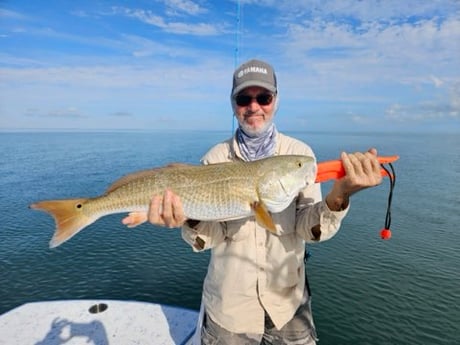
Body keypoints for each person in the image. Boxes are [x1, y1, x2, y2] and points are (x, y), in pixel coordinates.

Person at [122, 59, 383, 344]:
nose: (254, 106)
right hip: (229, 311)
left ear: (276, 100)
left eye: (264, 97)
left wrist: (339, 195)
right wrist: (188, 217)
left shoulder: (300, 154)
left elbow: (309, 230)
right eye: (244, 98)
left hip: (288, 305)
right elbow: (210, 237)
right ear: (233, 104)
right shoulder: (214, 158)